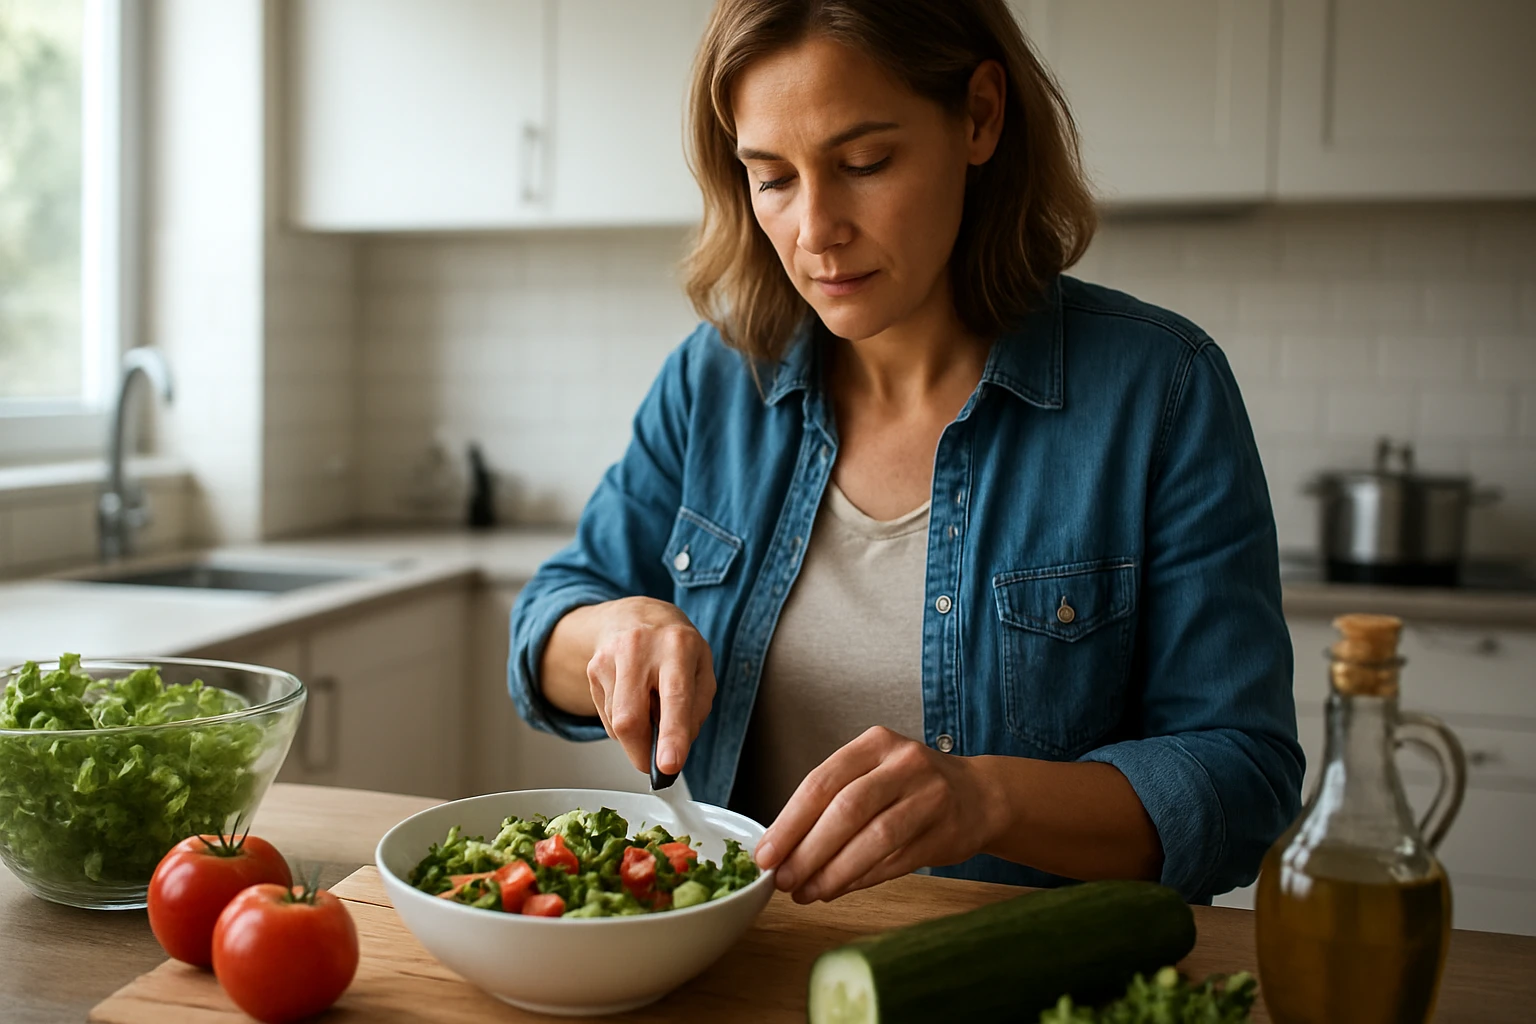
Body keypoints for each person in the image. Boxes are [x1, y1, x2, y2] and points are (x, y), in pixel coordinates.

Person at [508, 0, 1303, 906]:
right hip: (741, 967)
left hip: (1026, 981)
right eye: (772, 179)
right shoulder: (716, 379)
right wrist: (615, 632)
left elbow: (1245, 783)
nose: (816, 229)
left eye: (864, 163)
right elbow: (546, 624)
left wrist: (986, 799)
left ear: (980, 116)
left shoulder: (1161, 388)